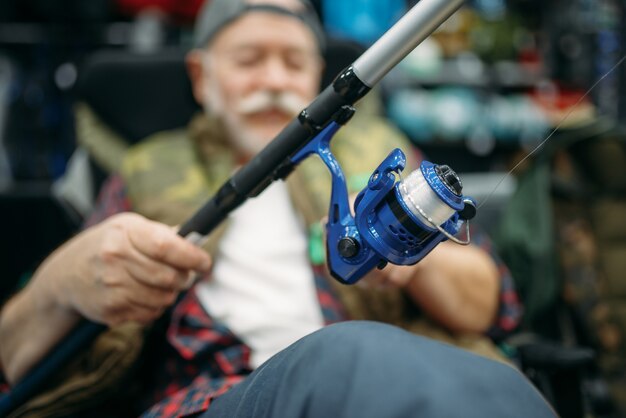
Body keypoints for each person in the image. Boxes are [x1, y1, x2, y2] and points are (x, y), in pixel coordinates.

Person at [0, 0, 554, 416]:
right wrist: (61, 282)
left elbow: (493, 306)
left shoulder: (380, 150)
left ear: (317, 77)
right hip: (230, 394)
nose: (272, 81)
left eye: (292, 62)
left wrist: (405, 258)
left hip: (398, 384)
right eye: (248, 60)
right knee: (348, 355)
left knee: (503, 387)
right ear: (201, 76)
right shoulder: (144, 171)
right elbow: (14, 352)